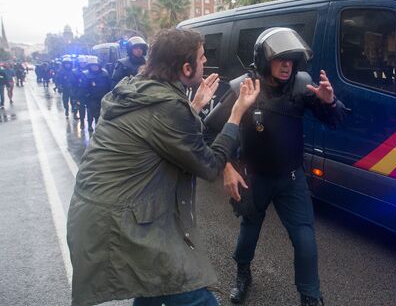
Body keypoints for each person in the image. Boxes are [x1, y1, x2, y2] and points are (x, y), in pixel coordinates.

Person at [66, 27, 260, 306]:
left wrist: (192, 106)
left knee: (153, 288)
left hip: (104, 212)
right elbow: (208, 166)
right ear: (185, 67)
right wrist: (237, 113)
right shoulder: (168, 105)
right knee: (188, 290)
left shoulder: (140, 87)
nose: (205, 63)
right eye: (202, 58)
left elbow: (162, 133)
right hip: (118, 221)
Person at [204, 27, 346, 306]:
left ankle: (311, 295)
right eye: (281, 59)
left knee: (305, 239)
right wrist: (228, 167)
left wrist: (330, 102)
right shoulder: (244, 88)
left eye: (291, 60)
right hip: (253, 178)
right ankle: (242, 274)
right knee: (249, 232)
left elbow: (335, 120)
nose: (287, 65)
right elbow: (209, 132)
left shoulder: (301, 86)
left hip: (291, 179)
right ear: (264, 59)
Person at [78, 56, 110, 132]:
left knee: (101, 113)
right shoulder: (86, 74)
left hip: (103, 97)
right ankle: (89, 124)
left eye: (96, 65)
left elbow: (109, 84)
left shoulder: (105, 73)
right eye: (92, 66)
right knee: (91, 112)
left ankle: (98, 126)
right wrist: (84, 96)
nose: (94, 67)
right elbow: (83, 87)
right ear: (90, 66)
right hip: (91, 98)